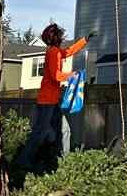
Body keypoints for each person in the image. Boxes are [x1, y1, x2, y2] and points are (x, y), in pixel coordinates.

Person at [14, 22, 89, 175]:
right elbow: (56, 75)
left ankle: (58, 160)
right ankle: (25, 161)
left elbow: (68, 51)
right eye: (60, 35)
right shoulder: (53, 52)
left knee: (61, 131)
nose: (62, 37)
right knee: (42, 133)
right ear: (56, 37)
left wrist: (84, 40)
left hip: (51, 101)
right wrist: (71, 75)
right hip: (47, 102)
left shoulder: (55, 51)